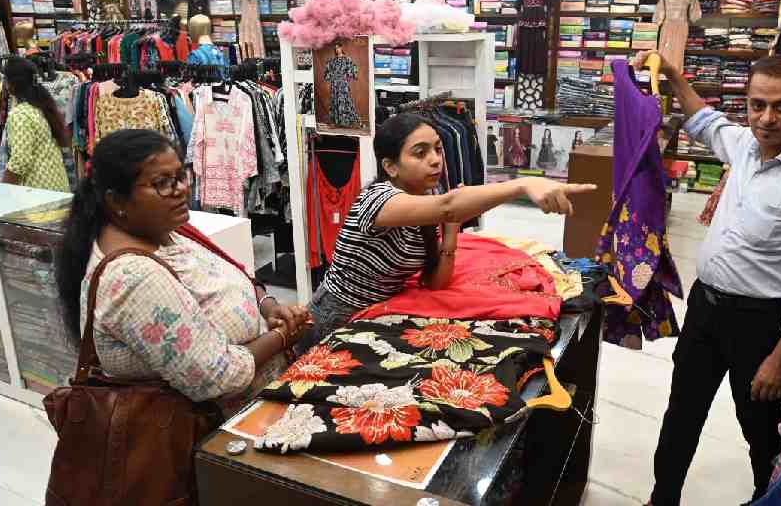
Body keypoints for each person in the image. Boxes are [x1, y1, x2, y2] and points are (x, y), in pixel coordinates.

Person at [632, 51, 781, 506]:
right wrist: (675, 75)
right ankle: (663, 499)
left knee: (760, 428)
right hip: (705, 308)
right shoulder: (742, 143)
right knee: (682, 413)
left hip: (762, 325)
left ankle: (769, 498)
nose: (765, 118)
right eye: (757, 104)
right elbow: (702, 117)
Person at [55, 129, 309, 415]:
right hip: (222, 431)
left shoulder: (165, 231)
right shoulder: (134, 278)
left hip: (260, 406)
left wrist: (266, 306)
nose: (180, 190)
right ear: (116, 201)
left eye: (180, 176)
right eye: (162, 183)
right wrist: (284, 336)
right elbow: (219, 377)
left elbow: (228, 276)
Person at [298, 112, 596, 348]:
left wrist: (451, 231)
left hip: (379, 315)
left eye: (438, 149)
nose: (436, 159)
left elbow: (436, 283)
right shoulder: (377, 199)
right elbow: (450, 204)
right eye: (420, 152)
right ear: (391, 167)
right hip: (336, 316)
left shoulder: (425, 202)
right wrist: (522, 184)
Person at [0, 56, 70, 192]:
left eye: (6, 80)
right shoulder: (43, 107)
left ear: (12, 85)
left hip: (36, 195)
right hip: (58, 187)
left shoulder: (20, 114)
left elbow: (20, 160)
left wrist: (3, 191)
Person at [323, 42, 361, 129]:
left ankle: (350, 121)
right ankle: (336, 122)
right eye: (335, 48)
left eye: (338, 47)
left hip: (343, 83)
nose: (337, 50)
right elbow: (327, 71)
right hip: (334, 84)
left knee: (345, 100)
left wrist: (347, 75)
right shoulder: (332, 60)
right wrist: (331, 76)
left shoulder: (347, 59)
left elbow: (353, 68)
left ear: (342, 48)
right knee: (335, 101)